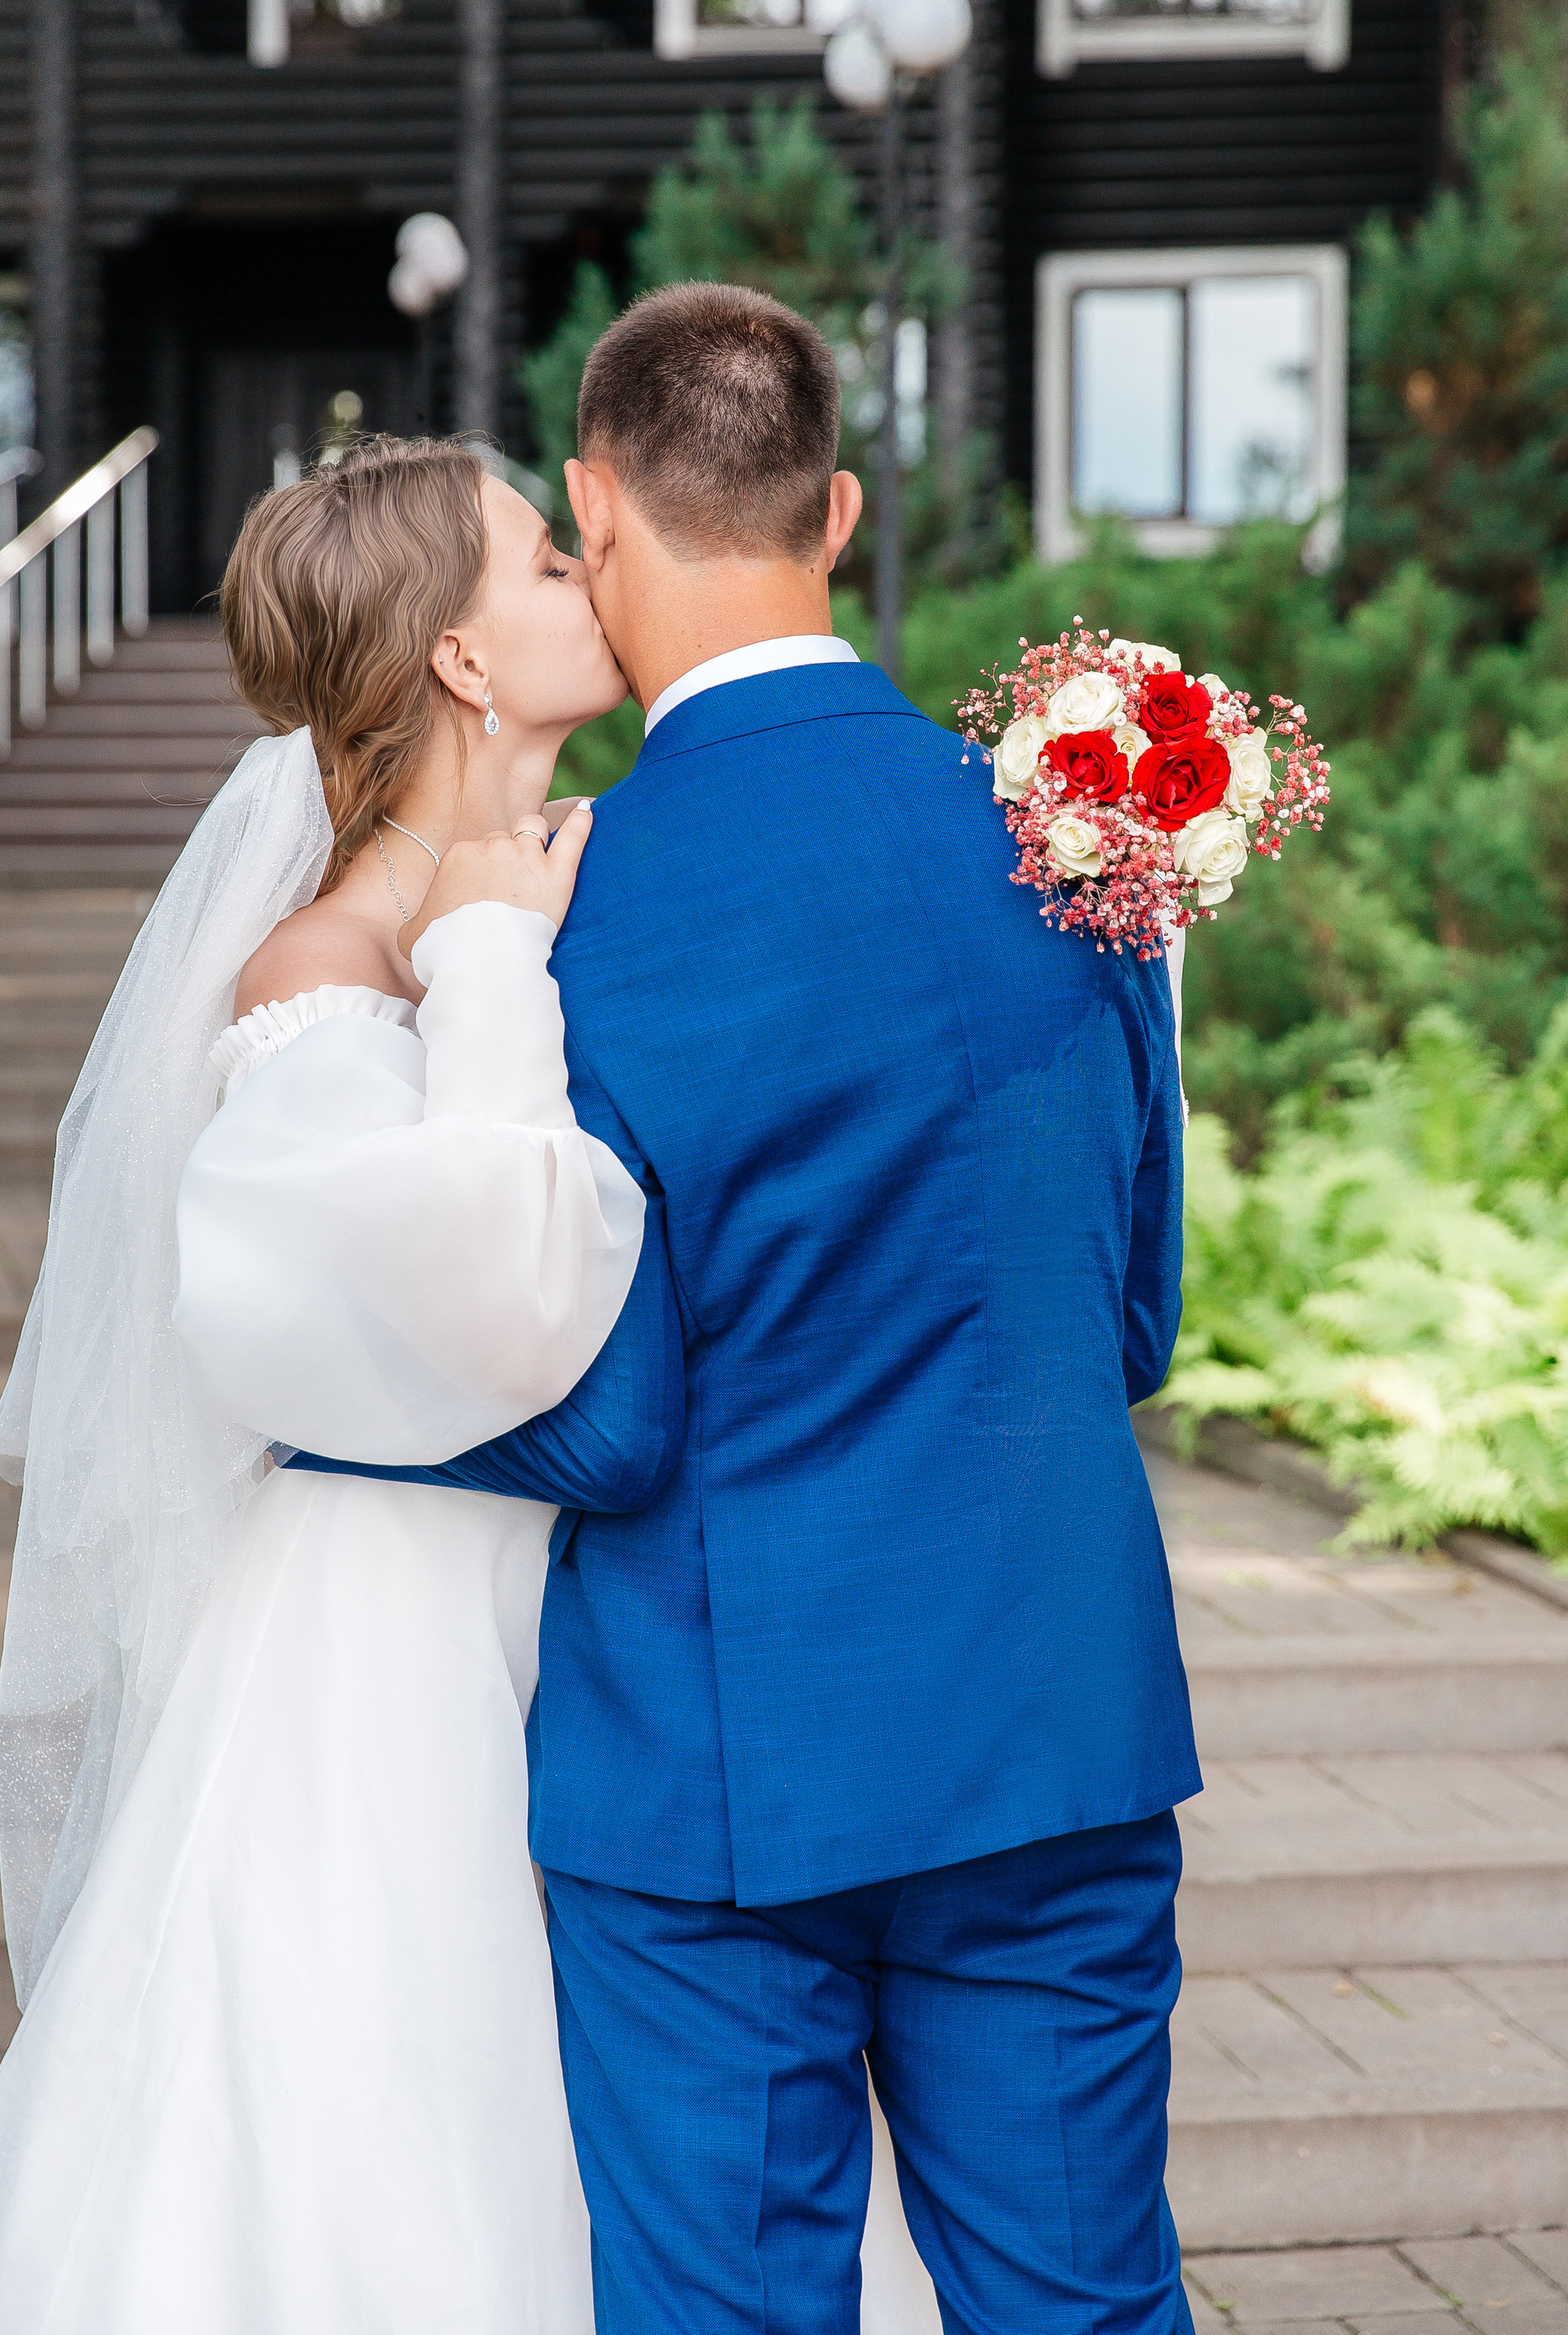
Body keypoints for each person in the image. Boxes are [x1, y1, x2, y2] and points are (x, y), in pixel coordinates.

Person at [0, 431, 938, 2334]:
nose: (591, 576)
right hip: (399, 1641)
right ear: (459, 656)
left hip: (615, 1620)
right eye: (546, 563)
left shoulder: (592, 879)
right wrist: (486, 969)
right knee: (413, 2122)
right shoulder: (325, 961)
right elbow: (493, 1300)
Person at [295, 286, 1202, 2334]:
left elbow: (606, 1418)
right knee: (1083, 2299)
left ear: (594, 512)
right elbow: (1130, 1317)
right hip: (1052, 1719)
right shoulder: (1085, 832)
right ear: (845, 511)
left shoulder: (552, 899)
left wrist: (333, 1422)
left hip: (720, 1766)